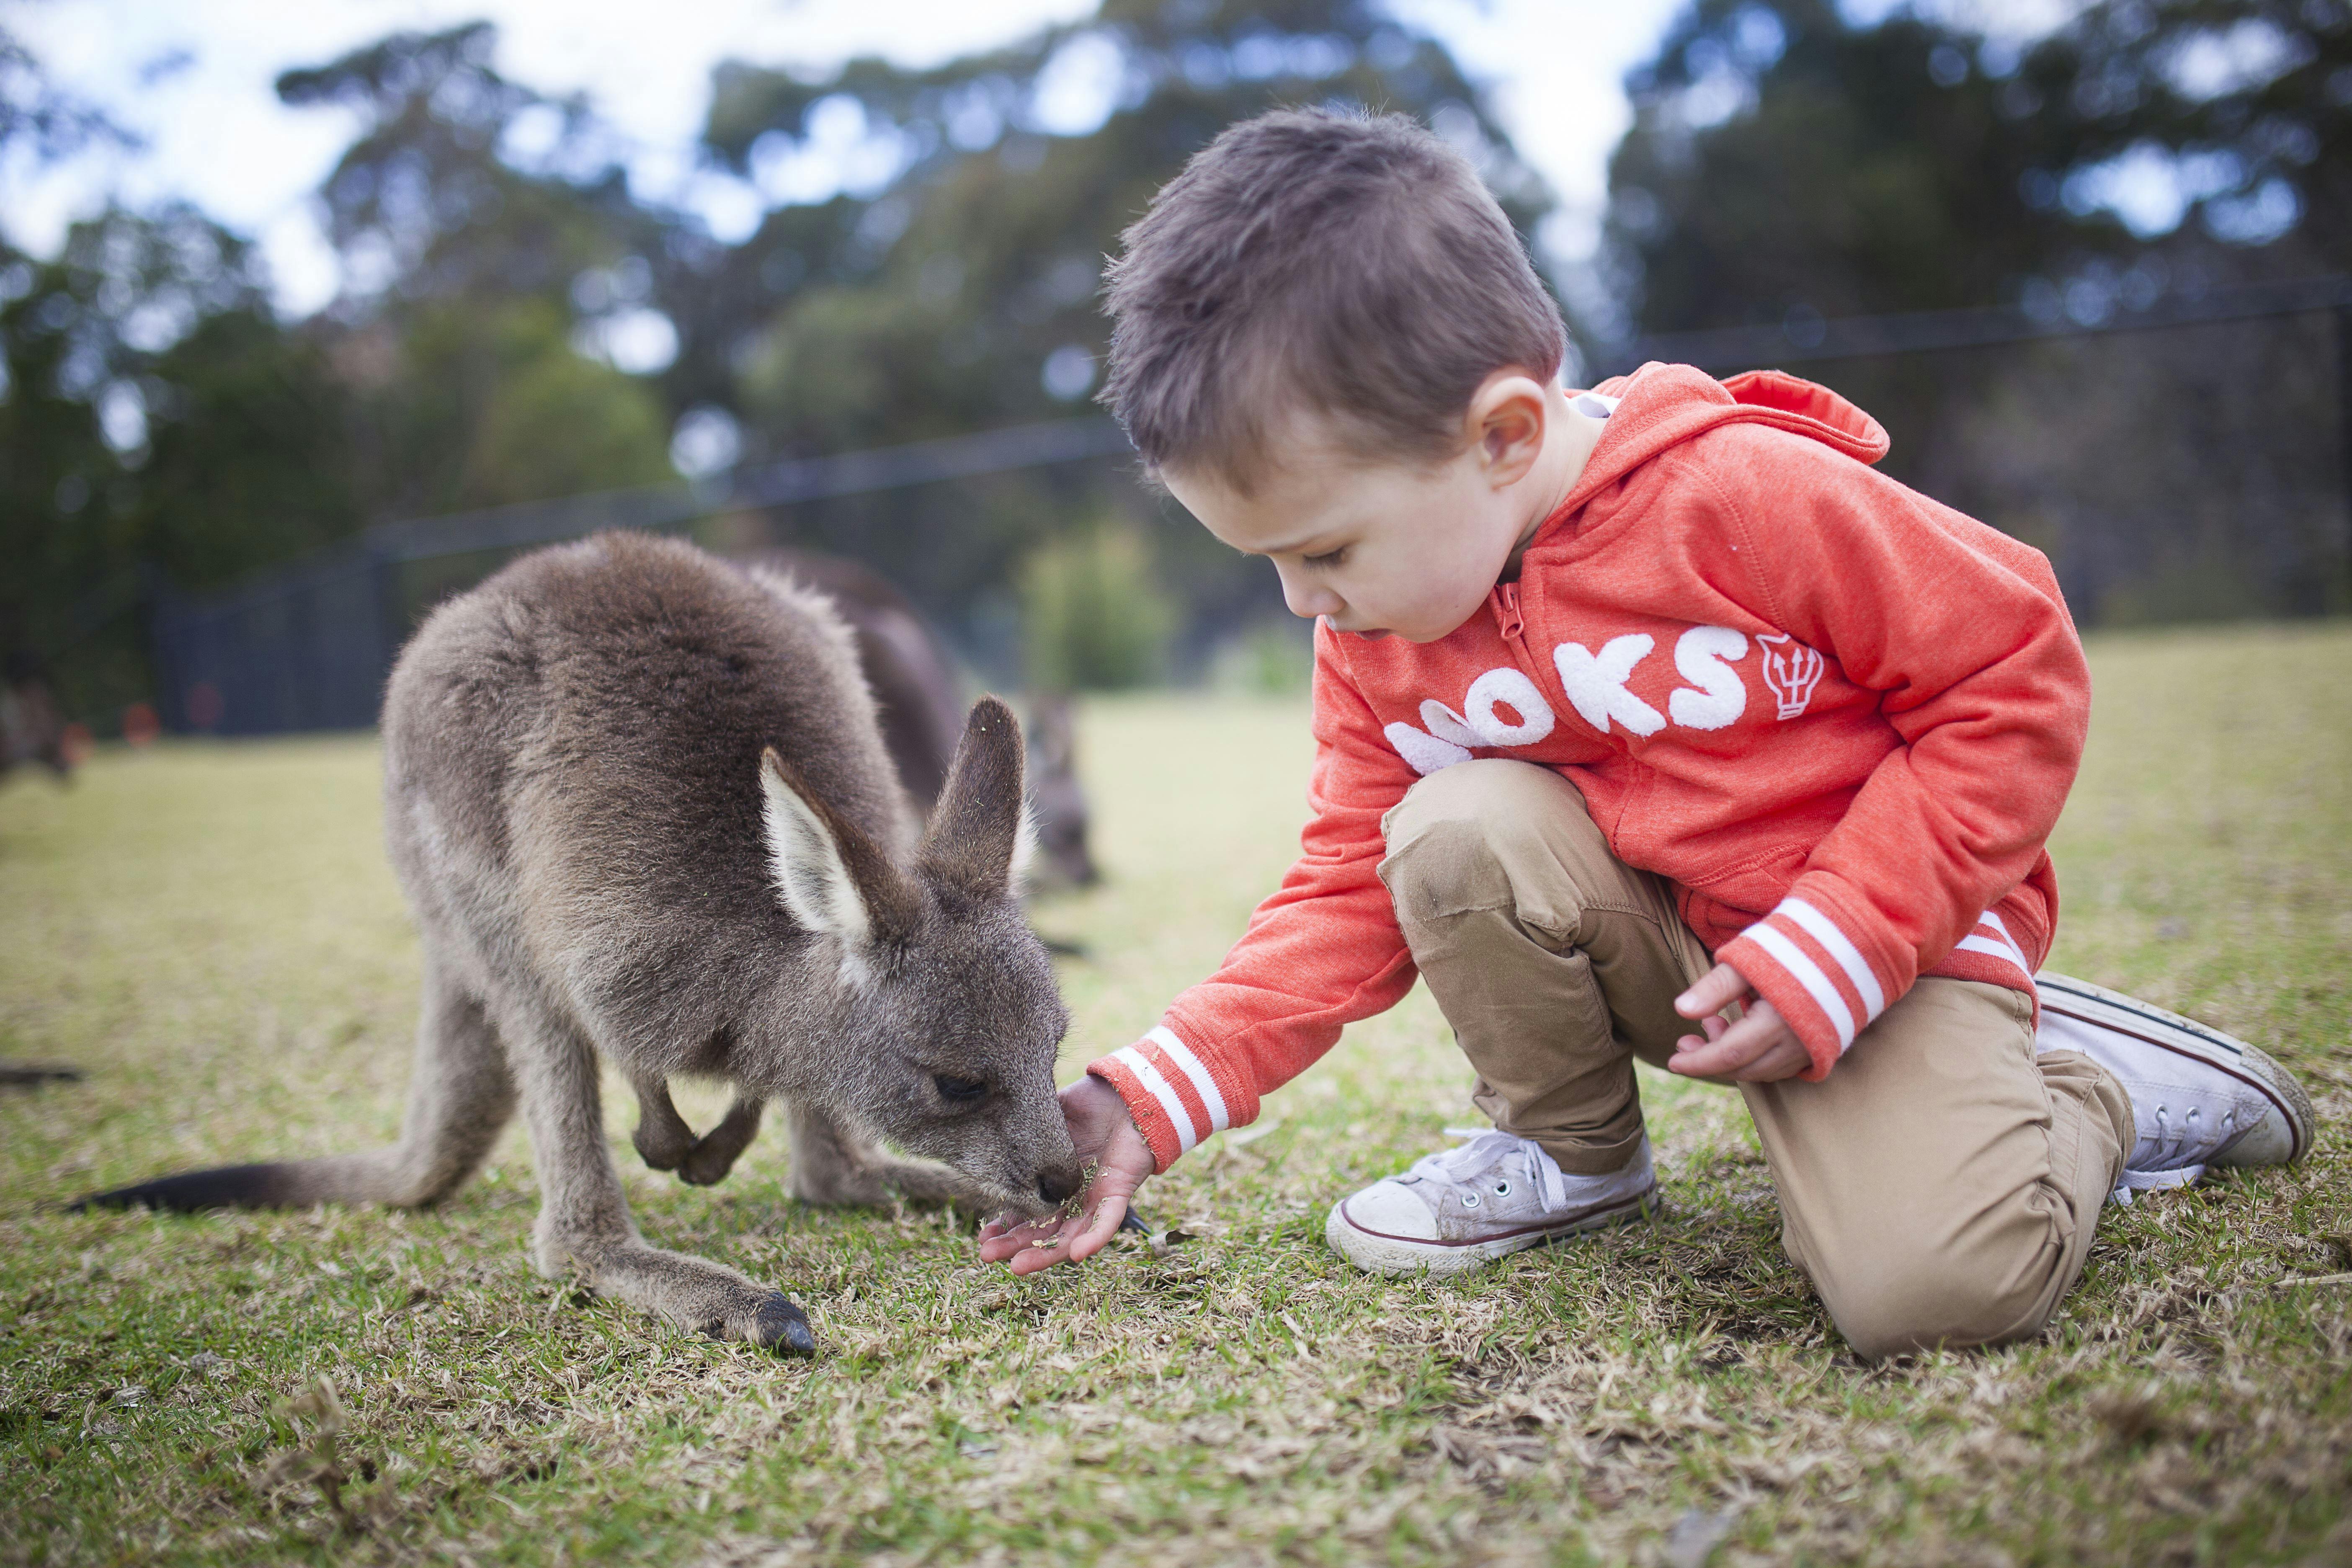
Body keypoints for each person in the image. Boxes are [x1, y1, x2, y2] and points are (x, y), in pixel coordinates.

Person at [977, 109, 2315, 1357]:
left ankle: (2081, 1086)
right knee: (1449, 828)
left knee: (1934, 1296)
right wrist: (1154, 1093)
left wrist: (1847, 938)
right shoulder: (1377, 633)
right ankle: (1575, 1158)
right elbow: (1343, 884)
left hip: (1883, 948)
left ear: (1504, 434)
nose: (1300, 602)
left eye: (1324, 549)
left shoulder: (1746, 497)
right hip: (1676, 965)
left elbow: (2011, 670)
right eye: (1268, 561)